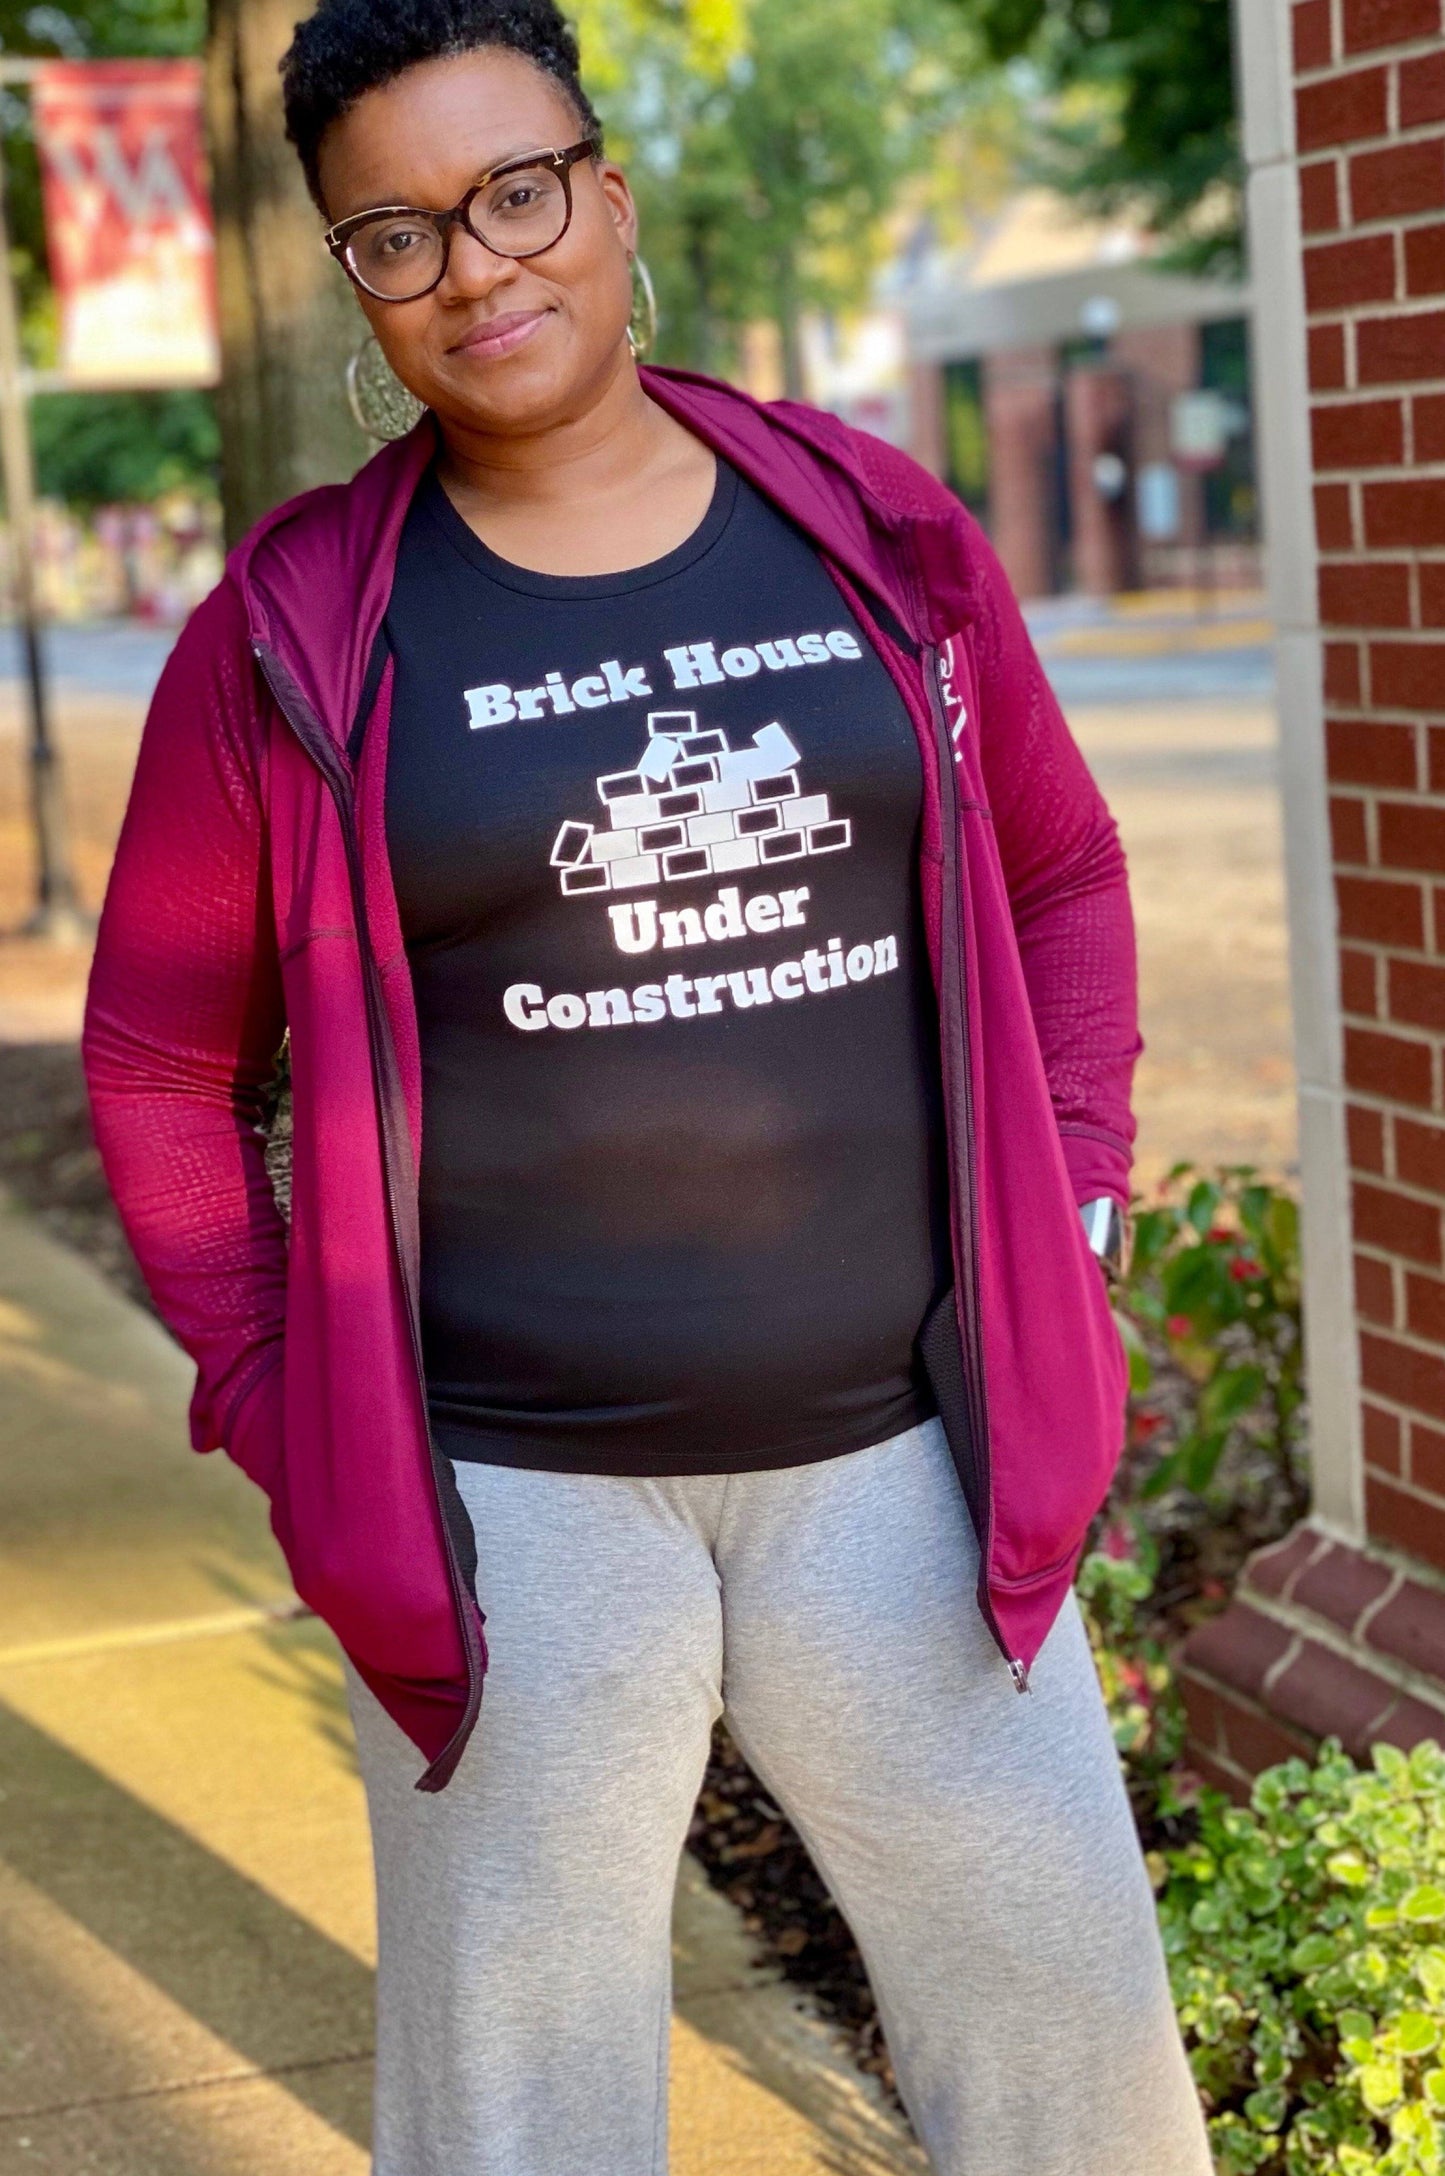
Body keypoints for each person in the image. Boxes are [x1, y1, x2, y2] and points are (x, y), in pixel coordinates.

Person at [83, 3, 1214, 2171]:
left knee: (1082, 2077)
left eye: (515, 193)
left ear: (608, 194)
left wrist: (1070, 1189)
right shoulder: (298, 633)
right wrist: (267, 1384)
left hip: (912, 1456)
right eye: (396, 236)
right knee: (526, 2126)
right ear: (353, 286)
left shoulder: (868, 522)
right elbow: (153, 1059)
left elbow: (1058, 867)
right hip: (513, 1502)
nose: (478, 268)